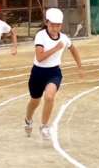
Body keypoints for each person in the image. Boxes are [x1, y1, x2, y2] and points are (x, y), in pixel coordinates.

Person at [24, 8, 83, 140]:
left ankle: (44, 126)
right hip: (38, 72)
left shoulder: (64, 38)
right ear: (47, 23)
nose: (55, 28)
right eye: (52, 25)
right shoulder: (40, 36)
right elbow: (39, 57)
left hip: (54, 72)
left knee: (49, 97)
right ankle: (28, 119)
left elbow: (73, 49)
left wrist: (79, 66)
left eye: (58, 25)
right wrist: (56, 48)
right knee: (34, 101)